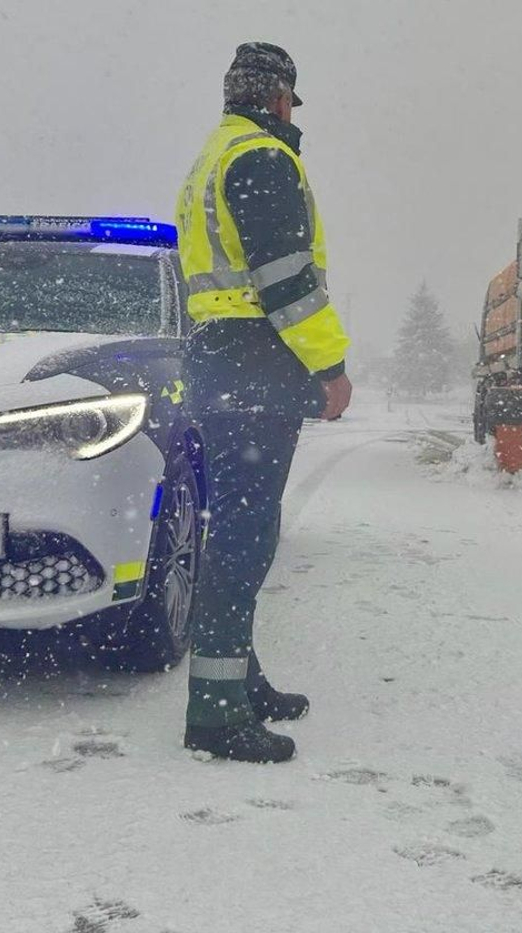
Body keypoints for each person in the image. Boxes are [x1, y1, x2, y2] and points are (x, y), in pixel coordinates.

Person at [173, 42, 353, 763]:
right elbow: (286, 280)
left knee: (236, 532)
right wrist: (331, 365)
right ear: (279, 98)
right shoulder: (262, 159)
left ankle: (240, 681)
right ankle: (215, 715)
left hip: (222, 363)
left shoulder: (211, 160)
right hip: (255, 367)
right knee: (244, 540)